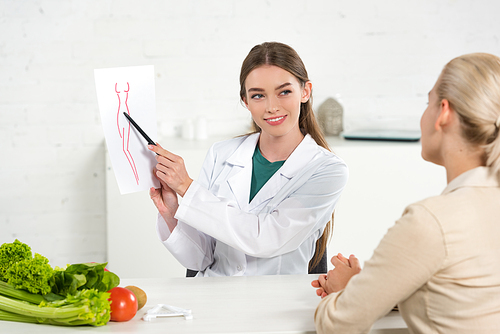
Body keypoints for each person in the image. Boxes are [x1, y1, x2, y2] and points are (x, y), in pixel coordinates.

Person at [312, 53, 500, 333]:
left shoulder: (431, 222)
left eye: (428, 103)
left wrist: (343, 293)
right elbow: (462, 297)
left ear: (443, 113)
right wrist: (370, 287)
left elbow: (336, 325)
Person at [148, 42, 349, 277]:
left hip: (276, 306)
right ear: (245, 101)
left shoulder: (327, 170)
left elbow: (266, 238)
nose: (272, 107)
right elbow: (200, 259)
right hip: (213, 300)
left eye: (284, 92)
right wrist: (172, 210)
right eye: (258, 96)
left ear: (305, 92)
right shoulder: (221, 154)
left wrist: (186, 186)